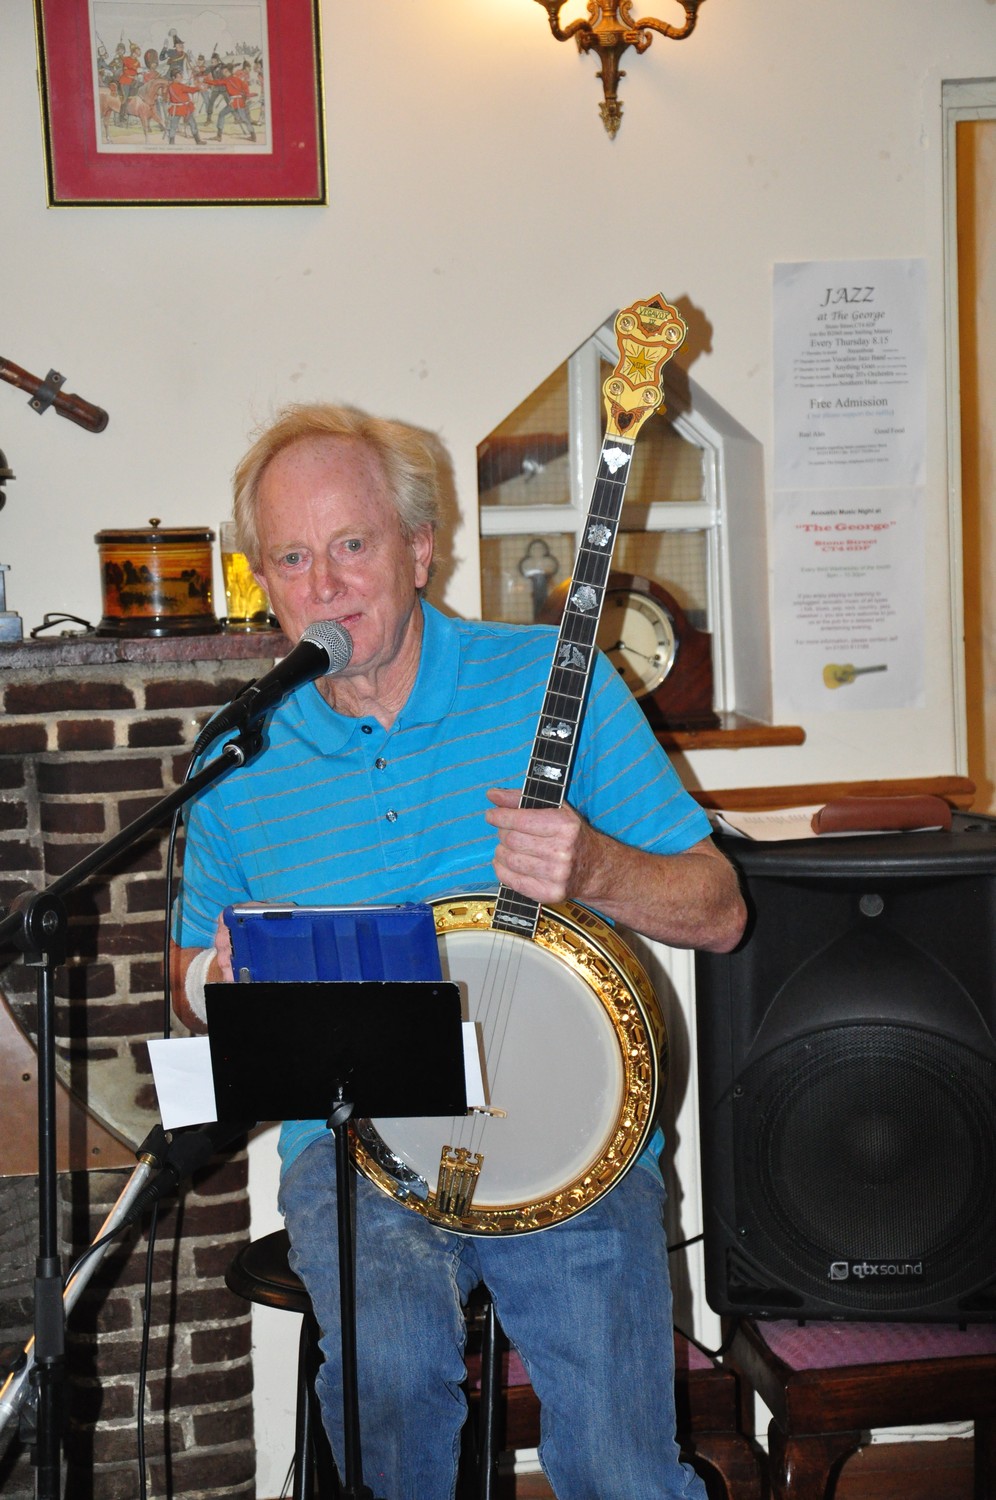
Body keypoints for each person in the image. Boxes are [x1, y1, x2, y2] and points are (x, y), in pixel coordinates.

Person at [171, 402, 746, 1500]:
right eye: (293, 557)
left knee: (623, 1461)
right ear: (262, 581)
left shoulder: (543, 680)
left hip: (572, 1133)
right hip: (357, 1139)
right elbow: (190, 972)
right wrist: (220, 981)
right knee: (386, 1390)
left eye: (353, 544)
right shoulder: (238, 751)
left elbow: (721, 910)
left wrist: (598, 870)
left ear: (419, 548)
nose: (327, 583)